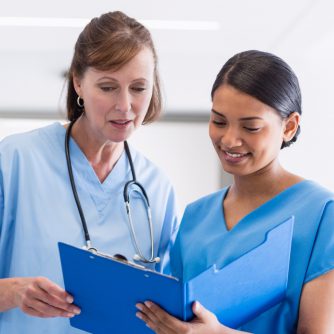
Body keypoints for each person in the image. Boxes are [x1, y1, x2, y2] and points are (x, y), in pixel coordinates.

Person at [0, 11, 178, 333]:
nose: (125, 106)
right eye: (108, 87)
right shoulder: (15, 162)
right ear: (78, 82)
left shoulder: (156, 188)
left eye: (139, 88)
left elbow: (164, 310)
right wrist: (12, 292)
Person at [136, 50, 334, 333]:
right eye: (218, 121)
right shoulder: (196, 216)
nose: (229, 139)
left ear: (289, 127)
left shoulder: (322, 213)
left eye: (250, 127)